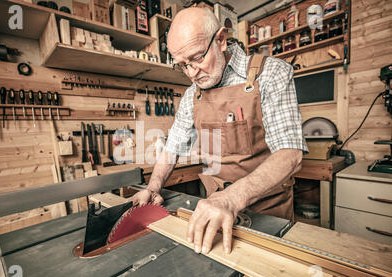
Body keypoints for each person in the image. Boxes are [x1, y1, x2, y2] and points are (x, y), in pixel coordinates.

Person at [129, 7, 308, 255]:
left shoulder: (270, 74)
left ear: (221, 40)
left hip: (269, 213)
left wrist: (231, 199)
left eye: (198, 58)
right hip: (215, 211)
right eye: (183, 65)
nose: (192, 73)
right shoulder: (192, 95)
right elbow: (172, 148)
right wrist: (153, 187)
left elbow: (290, 154)